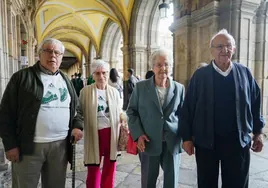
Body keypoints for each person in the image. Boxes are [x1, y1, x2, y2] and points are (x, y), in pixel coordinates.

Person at [180, 29, 265, 188]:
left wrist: (258, 132)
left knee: (237, 184)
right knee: (206, 184)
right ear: (211, 50)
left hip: (237, 143)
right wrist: (186, 138)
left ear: (234, 49)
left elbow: (255, 104)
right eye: (219, 46)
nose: (224, 50)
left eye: (228, 46)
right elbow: (188, 108)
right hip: (207, 142)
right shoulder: (200, 76)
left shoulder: (244, 73)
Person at [0, 38, 84, 188]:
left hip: (60, 146)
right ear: (40, 54)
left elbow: (77, 109)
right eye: (49, 51)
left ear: (61, 57)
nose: (53, 56)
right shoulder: (22, 77)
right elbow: (5, 112)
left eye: (57, 53)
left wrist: (77, 126)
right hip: (29, 146)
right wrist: (10, 144)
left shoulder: (66, 80)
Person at [127, 49, 185, 188]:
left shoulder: (179, 88)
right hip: (148, 141)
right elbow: (132, 112)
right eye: (159, 65)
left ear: (171, 67)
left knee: (171, 181)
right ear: (152, 67)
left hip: (172, 141)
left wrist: (186, 138)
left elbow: (184, 115)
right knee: (148, 181)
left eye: (166, 64)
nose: (163, 68)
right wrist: (138, 134)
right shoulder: (141, 87)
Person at [78, 59, 122, 188]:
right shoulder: (85, 92)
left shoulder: (114, 92)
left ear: (108, 74)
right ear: (93, 75)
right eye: (97, 73)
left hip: (111, 131)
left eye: (104, 73)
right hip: (94, 132)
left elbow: (119, 111)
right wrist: (77, 127)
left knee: (110, 164)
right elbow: (79, 111)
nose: (101, 76)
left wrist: (123, 119)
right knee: (93, 165)